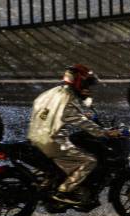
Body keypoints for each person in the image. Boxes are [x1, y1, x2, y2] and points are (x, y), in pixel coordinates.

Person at [28, 64, 121, 204]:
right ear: (78, 81)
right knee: (89, 161)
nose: (87, 89)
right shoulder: (68, 99)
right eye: (86, 84)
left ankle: (53, 181)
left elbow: (55, 113)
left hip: (34, 137)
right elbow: (82, 122)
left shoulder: (51, 92)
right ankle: (64, 191)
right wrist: (105, 133)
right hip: (52, 141)